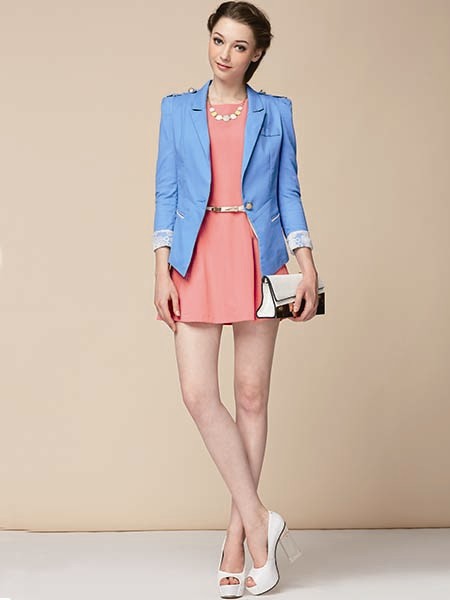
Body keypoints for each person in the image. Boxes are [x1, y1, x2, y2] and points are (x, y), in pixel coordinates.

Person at [153, 2, 319, 596]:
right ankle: (259, 520)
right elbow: (166, 191)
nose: (224, 54)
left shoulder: (277, 112)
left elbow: (288, 190)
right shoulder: (176, 109)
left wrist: (306, 261)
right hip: (195, 256)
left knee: (251, 396)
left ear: (257, 55)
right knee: (198, 394)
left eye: (238, 46)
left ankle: (236, 540)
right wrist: (159, 270)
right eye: (218, 40)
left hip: (258, 255)